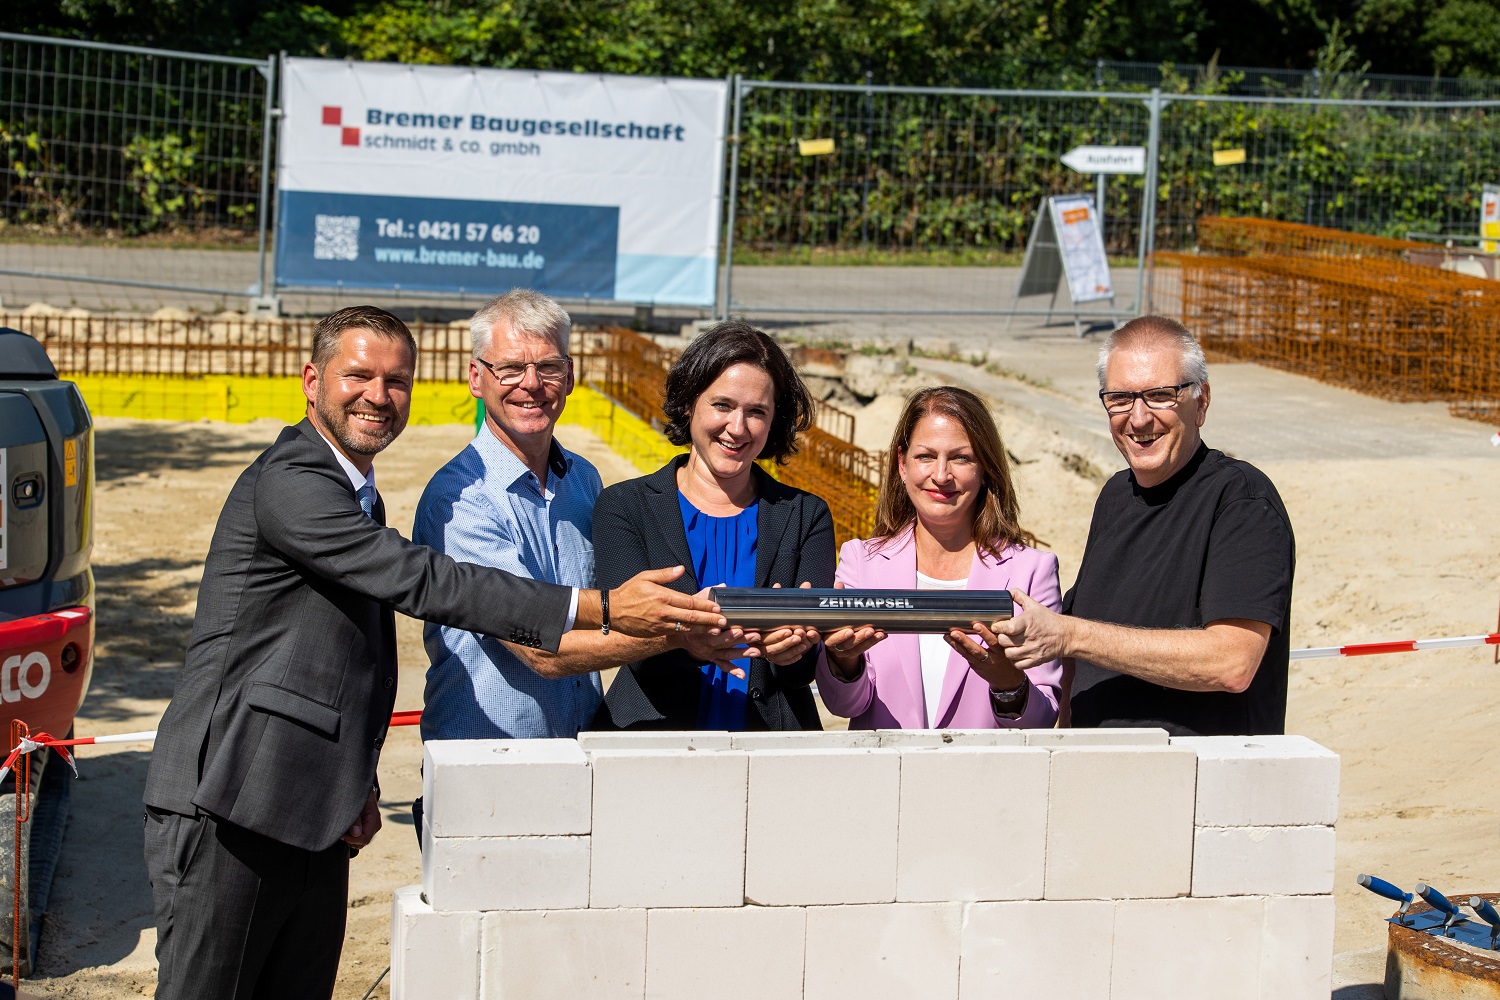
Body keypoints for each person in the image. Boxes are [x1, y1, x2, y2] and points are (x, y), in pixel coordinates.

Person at [141, 305, 724, 1000]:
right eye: (358, 376)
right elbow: (426, 582)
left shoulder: (361, 492)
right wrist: (602, 607)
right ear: (311, 381)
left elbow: (336, 661)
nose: (378, 396)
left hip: (311, 807)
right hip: (231, 798)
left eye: (396, 381)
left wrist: (353, 779)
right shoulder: (294, 480)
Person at [994, 315, 1295, 736]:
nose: (1138, 419)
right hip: (1097, 766)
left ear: (1201, 402)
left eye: (1159, 396)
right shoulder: (1115, 496)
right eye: (1120, 398)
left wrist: (1070, 635)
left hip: (1195, 771)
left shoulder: (1241, 501)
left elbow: (1232, 662)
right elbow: (1076, 663)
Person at [590, 321, 835, 731]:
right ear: (689, 403)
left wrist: (791, 649)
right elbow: (630, 644)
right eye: (722, 405)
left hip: (771, 744)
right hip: (652, 739)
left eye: (756, 412)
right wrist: (689, 641)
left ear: (774, 421)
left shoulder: (807, 515)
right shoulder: (624, 507)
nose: (737, 428)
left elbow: (803, 672)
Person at [815, 387, 1063, 729]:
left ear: (985, 468)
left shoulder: (1033, 570)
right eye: (926, 456)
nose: (942, 475)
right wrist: (844, 660)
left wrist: (1009, 684)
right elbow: (844, 705)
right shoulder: (862, 561)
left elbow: (1042, 719)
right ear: (902, 464)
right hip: (886, 763)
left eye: (961, 458)